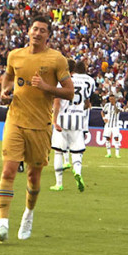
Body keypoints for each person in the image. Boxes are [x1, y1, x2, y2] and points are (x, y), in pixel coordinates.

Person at [0, 15, 73, 242]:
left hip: (40, 126)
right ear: (28, 31)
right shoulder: (15, 55)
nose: (37, 33)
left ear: (48, 35)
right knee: (8, 170)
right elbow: (7, 78)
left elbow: (69, 92)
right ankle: (3, 224)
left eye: (42, 30)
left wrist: (47, 87)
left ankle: (28, 212)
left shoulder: (57, 59)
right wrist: (4, 91)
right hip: (15, 120)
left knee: (33, 176)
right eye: (34, 29)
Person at [50, 58, 96, 192]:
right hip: (79, 120)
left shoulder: (64, 81)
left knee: (58, 151)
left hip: (63, 119)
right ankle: (77, 171)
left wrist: (54, 120)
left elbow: (57, 103)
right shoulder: (89, 81)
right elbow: (88, 103)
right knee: (77, 151)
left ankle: (59, 183)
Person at [101, 93, 123, 158]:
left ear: (115, 99)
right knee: (107, 138)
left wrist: (114, 105)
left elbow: (117, 111)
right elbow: (102, 111)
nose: (111, 100)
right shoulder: (107, 105)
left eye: (112, 99)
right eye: (110, 99)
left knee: (116, 138)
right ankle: (109, 153)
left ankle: (117, 153)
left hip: (115, 125)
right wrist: (104, 118)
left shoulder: (118, 104)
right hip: (108, 124)